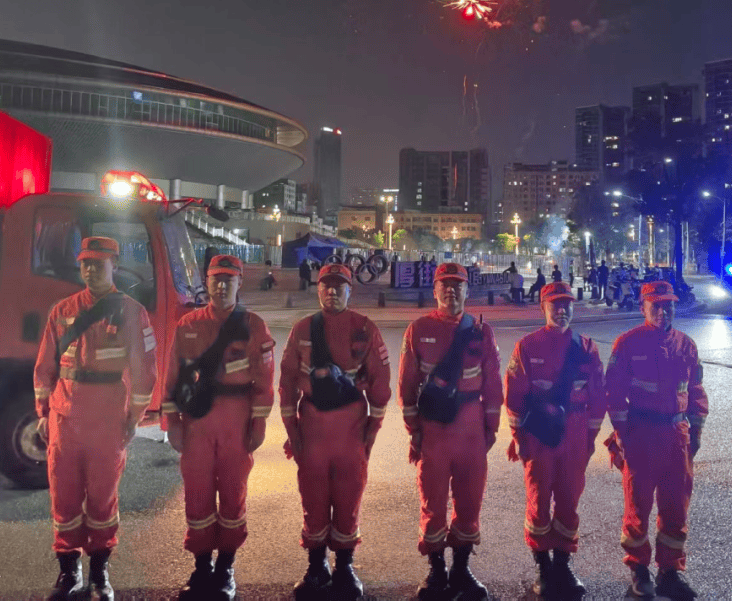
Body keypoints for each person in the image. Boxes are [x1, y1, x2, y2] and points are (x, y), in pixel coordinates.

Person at [33, 237, 157, 601]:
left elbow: (145, 371)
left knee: (102, 498)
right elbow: (45, 365)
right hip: (65, 417)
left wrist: (134, 417)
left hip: (107, 420)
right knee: (64, 496)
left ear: (113, 265)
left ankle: (100, 574)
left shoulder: (132, 312)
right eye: (85, 263)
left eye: (98, 264)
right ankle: (68, 570)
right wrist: (42, 412)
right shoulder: (63, 310)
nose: (90, 269)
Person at [162, 255, 275, 601]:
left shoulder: (254, 326)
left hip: (236, 420)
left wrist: (258, 424)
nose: (222, 286)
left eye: (229, 280)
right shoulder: (188, 325)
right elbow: (173, 379)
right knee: (197, 493)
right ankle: (201, 567)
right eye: (216, 279)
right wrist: (172, 424)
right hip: (197, 422)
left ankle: (226, 568)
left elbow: (264, 382)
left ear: (240, 283)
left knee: (232, 492)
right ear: (207, 282)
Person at [279, 263, 392, 600]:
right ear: (318, 290)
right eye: (326, 286)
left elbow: (381, 383)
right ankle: (316, 567)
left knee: (348, 496)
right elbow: (287, 381)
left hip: (350, 426)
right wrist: (292, 431)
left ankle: (344, 566)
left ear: (349, 291)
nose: (332, 292)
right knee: (313, 496)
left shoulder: (365, 328)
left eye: (339, 286)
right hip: (313, 425)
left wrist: (372, 431)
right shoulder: (302, 329)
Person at [398, 262, 504, 601]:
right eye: (444, 284)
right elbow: (407, 385)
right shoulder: (418, 329)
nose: (451, 290)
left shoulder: (481, 331)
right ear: (435, 290)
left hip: (471, 425)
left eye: (458, 285)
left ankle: (461, 569)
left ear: (467, 291)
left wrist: (491, 429)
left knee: (470, 499)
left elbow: (493, 383)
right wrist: (413, 430)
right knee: (433, 500)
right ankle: (436, 570)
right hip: (434, 429)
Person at [605, 281, 708, 600]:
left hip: (676, 436)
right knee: (638, 507)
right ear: (643, 308)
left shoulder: (686, 345)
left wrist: (696, 431)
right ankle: (638, 571)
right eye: (656, 306)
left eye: (669, 305)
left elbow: (695, 390)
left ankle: (670, 571)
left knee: (676, 507)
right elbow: (614, 393)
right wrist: (622, 434)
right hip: (641, 435)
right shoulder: (627, 343)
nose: (663, 312)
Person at [505, 282, 606, 599]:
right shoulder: (527, 346)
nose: (562, 311)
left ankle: (562, 564)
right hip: (539, 434)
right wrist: (518, 438)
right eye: (555, 305)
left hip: (574, 432)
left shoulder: (586, 348)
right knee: (538, 500)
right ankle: (543, 567)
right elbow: (514, 397)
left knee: (569, 499)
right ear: (543, 308)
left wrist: (589, 440)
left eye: (567, 305)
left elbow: (598, 397)